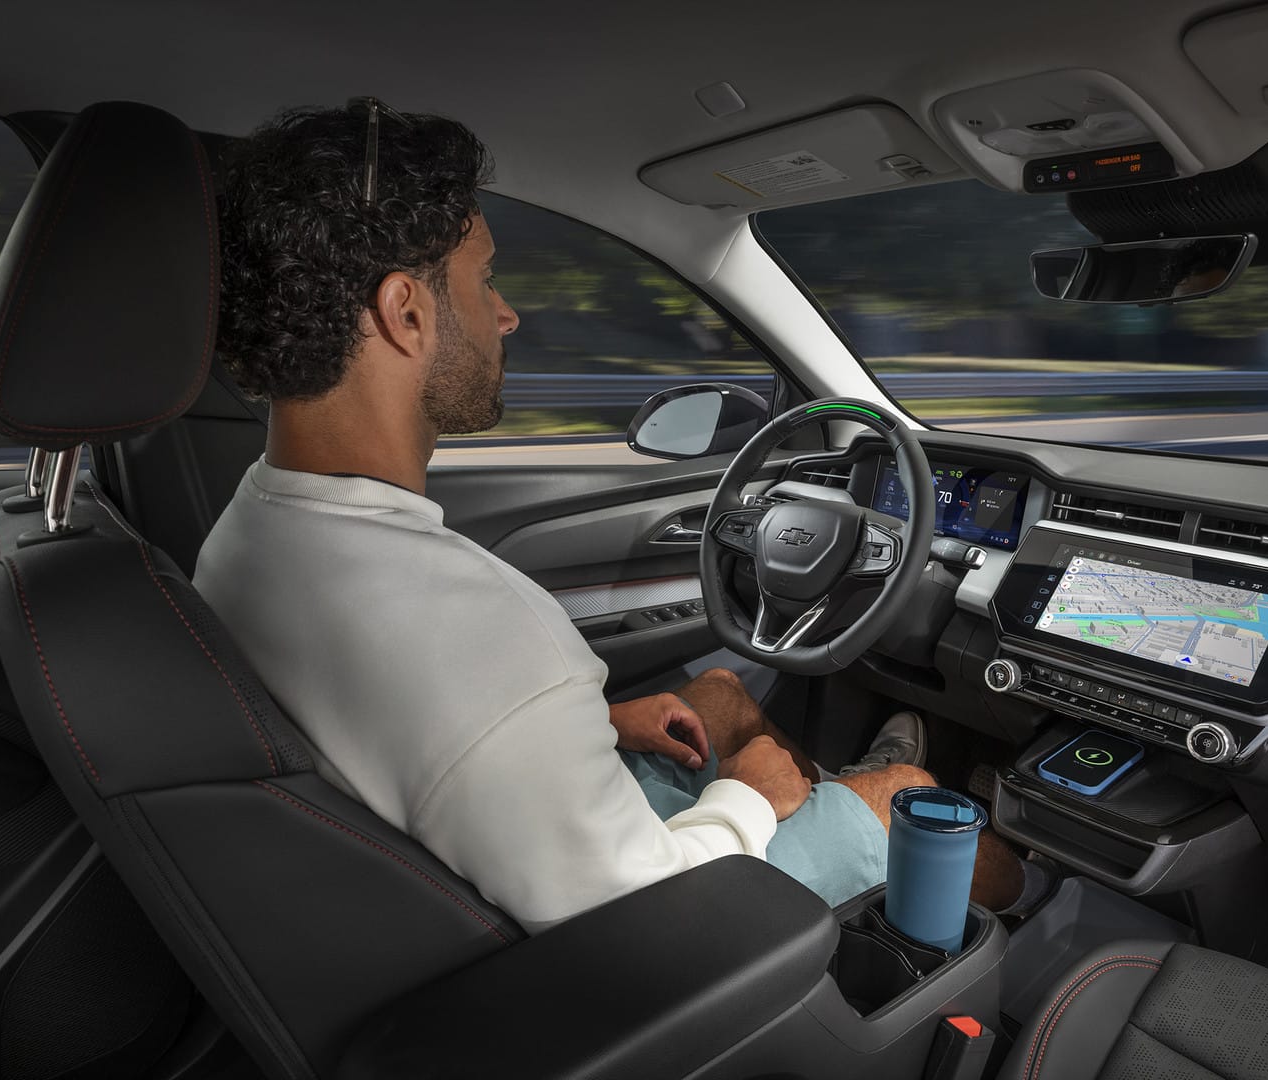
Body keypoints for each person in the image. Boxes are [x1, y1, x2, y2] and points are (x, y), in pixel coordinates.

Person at [195, 101, 1030, 932]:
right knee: (909, 799)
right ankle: (1033, 904)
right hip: (665, 943)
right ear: (405, 313)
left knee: (720, 697)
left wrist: (587, 724)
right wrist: (751, 800)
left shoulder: (252, 526)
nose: (506, 314)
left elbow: (407, 721)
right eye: (483, 280)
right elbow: (643, 925)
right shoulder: (476, 634)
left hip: (487, 844)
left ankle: (831, 817)